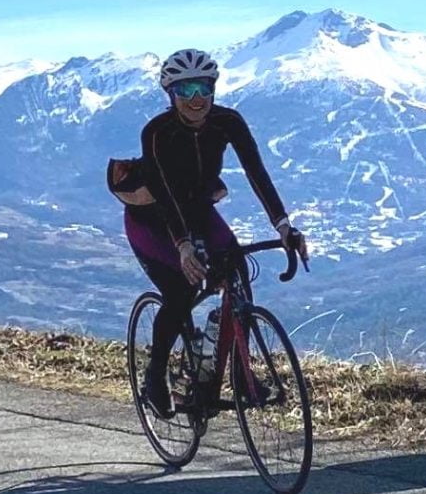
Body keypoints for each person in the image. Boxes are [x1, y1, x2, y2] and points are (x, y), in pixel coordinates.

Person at [108, 46, 307, 419]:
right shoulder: (157, 132)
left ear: (214, 89)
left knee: (238, 273)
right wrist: (183, 247)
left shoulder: (228, 122)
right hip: (152, 219)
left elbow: (256, 172)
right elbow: (165, 194)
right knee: (182, 290)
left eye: (202, 88)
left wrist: (283, 225)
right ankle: (155, 377)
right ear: (171, 94)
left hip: (199, 211)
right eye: (185, 90)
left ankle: (236, 372)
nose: (195, 99)